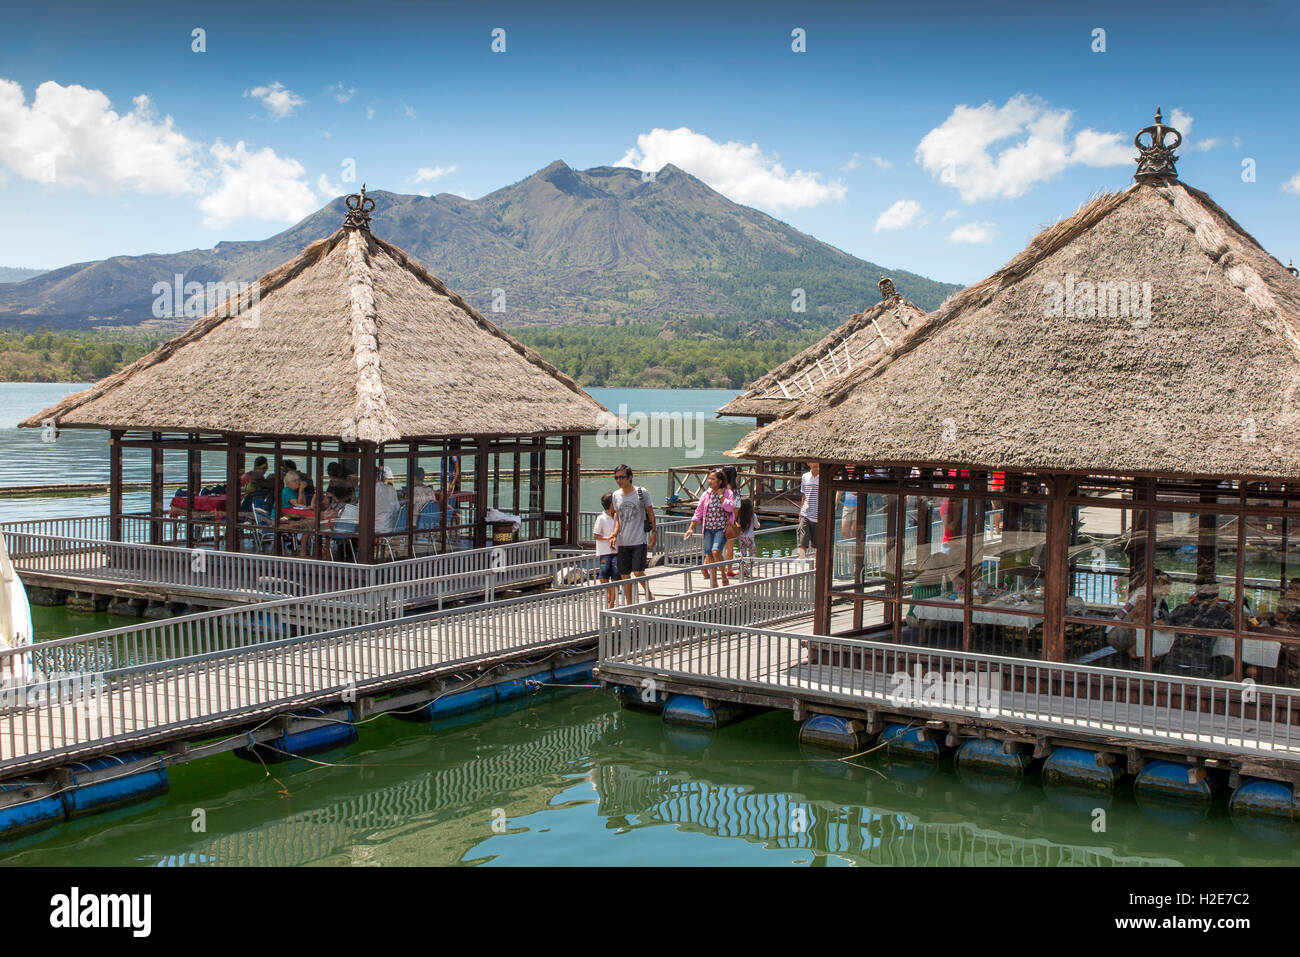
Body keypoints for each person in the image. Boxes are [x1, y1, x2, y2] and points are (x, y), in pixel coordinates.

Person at [611, 464, 658, 603]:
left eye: (622, 477)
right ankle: (629, 604)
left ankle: (648, 593)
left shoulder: (641, 492)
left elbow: (650, 512)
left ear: (630, 477)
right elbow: (618, 518)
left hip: (639, 539)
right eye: (616, 477)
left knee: (638, 572)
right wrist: (614, 534)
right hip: (623, 541)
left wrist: (654, 532)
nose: (619, 480)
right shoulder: (615, 495)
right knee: (625, 575)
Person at [684, 469, 737, 588]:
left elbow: (730, 508)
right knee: (709, 554)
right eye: (709, 478)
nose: (710, 481)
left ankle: (723, 575)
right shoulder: (706, 494)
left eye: (713, 479)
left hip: (721, 529)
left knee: (716, 551)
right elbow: (699, 511)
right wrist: (691, 527)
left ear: (720, 481)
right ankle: (714, 581)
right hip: (708, 528)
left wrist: (721, 496)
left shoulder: (728, 493)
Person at [593, 492, 618, 608]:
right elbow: (596, 535)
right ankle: (610, 594)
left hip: (616, 551)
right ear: (611, 504)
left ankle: (611, 600)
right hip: (604, 552)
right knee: (603, 577)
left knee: (615, 576)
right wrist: (608, 538)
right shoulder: (601, 518)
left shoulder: (617, 517)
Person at [798, 462, 821, 564]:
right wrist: (800, 512)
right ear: (808, 463)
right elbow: (804, 496)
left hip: (819, 515)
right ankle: (801, 565)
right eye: (812, 461)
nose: (815, 464)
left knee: (818, 544)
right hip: (806, 514)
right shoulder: (805, 477)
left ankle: (817, 567)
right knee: (802, 542)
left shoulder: (824, 477)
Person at [736, 497, 760, 580]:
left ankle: (743, 568)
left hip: (741, 538)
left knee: (743, 554)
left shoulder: (739, 515)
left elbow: (737, 525)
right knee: (753, 553)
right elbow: (757, 526)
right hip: (750, 538)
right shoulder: (753, 515)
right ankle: (748, 566)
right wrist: (758, 523)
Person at [375, 466, 399, 533]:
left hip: (373, 528)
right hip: (389, 528)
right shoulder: (391, 489)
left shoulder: (368, 490)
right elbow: (397, 508)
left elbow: (360, 510)